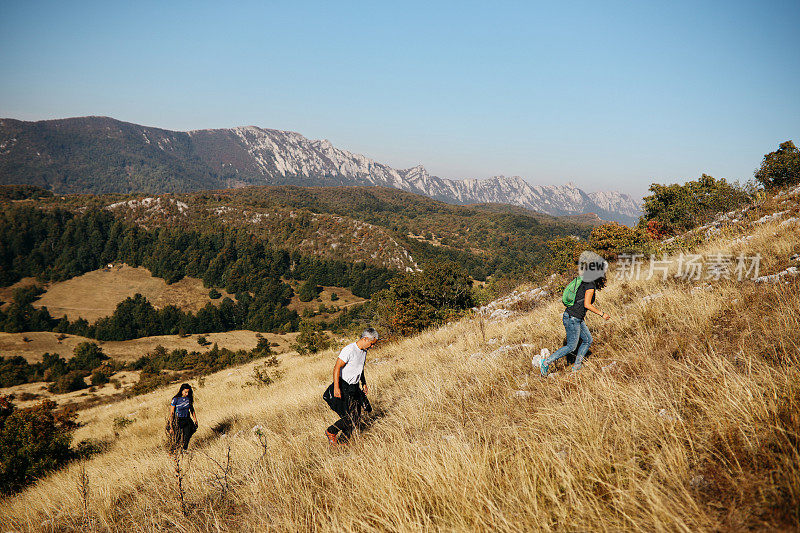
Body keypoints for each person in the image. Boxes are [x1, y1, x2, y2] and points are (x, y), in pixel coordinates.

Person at [541, 253, 611, 376]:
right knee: (571, 347)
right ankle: (546, 362)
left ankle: (577, 366)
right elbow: (587, 304)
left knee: (588, 340)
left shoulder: (586, 281)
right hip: (573, 318)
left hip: (575, 317)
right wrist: (602, 314)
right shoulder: (590, 285)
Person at [323, 328, 379, 445]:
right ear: (365, 339)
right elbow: (336, 368)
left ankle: (343, 443)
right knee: (350, 417)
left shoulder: (364, 351)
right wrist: (336, 388)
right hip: (343, 386)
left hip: (354, 387)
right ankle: (331, 431)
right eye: (372, 344)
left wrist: (363, 382)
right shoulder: (349, 350)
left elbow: (360, 368)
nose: (372, 347)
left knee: (356, 417)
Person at [168, 383, 198, 451]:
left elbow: (192, 410)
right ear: (181, 390)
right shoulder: (175, 399)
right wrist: (171, 426)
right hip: (179, 420)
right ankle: (174, 452)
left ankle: (184, 450)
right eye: (185, 392)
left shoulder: (188, 399)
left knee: (188, 435)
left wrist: (195, 419)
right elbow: (172, 413)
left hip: (187, 419)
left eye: (188, 392)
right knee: (177, 438)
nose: (187, 394)